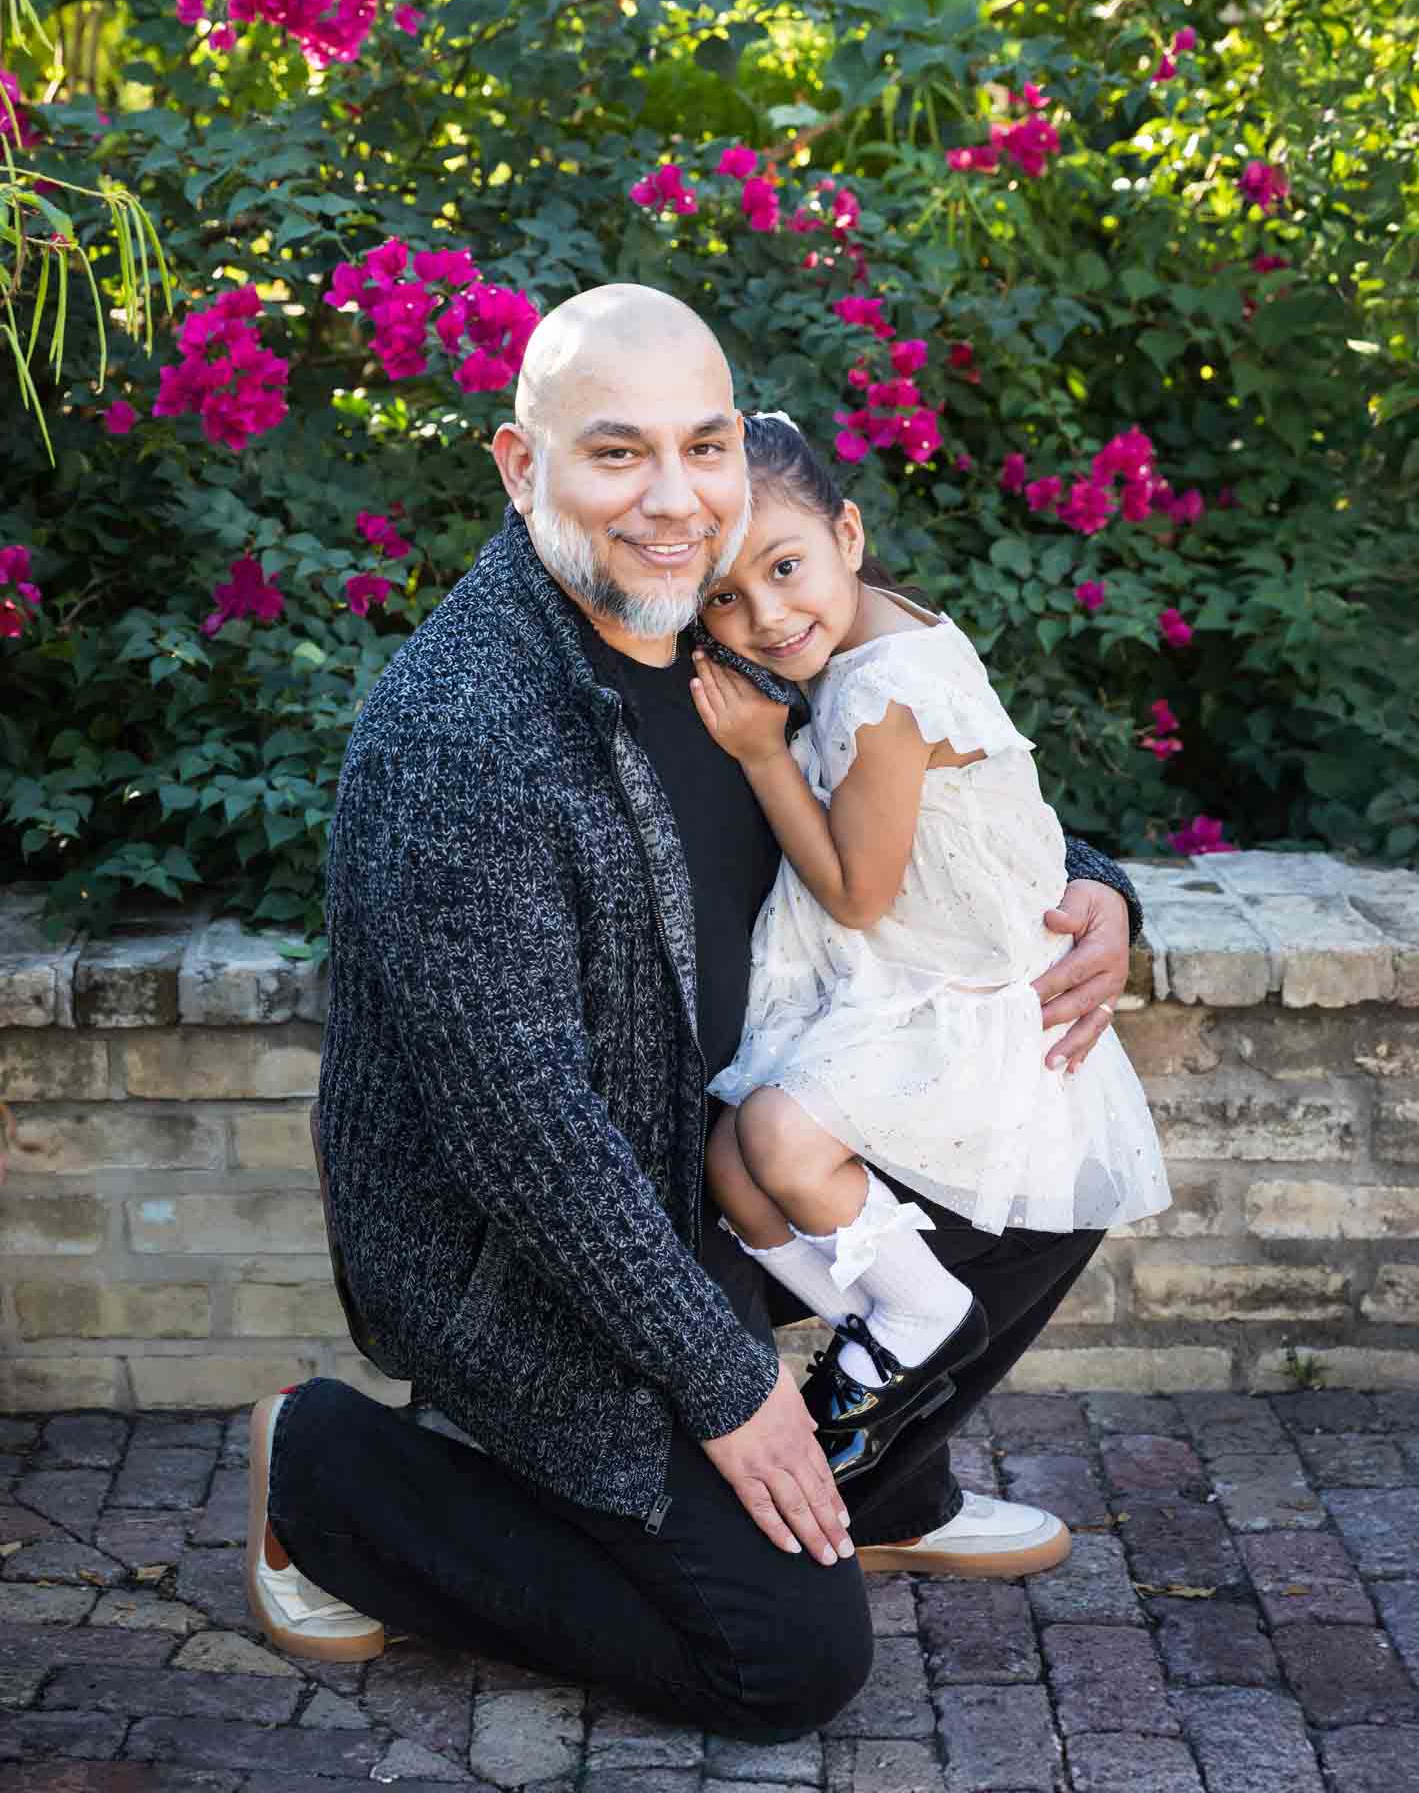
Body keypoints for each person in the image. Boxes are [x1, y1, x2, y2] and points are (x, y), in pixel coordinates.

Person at [244, 284, 1140, 1729]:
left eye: (704, 446)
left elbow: (936, 796)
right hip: (529, 1255)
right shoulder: (465, 735)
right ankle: (332, 1473)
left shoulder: (730, 638)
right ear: (519, 466)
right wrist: (726, 1385)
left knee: (1051, 1140)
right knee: (785, 1660)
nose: (675, 501)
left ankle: (876, 1482)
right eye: (616, 455)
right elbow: (523, 1135)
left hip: (708, 1170)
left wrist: (1098, 894)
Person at [690, 413, 1170, 1484]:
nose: (765, 616)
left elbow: (860, 892)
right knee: (734, 1162)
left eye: (784, 567)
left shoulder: (879, 690)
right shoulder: (875, 634)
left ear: (848, 533)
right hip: (910, 970)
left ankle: (917, 1322)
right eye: (724, 595)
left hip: (951, 998)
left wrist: (766, 755)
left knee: (776, 1135)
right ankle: (887, 1342)